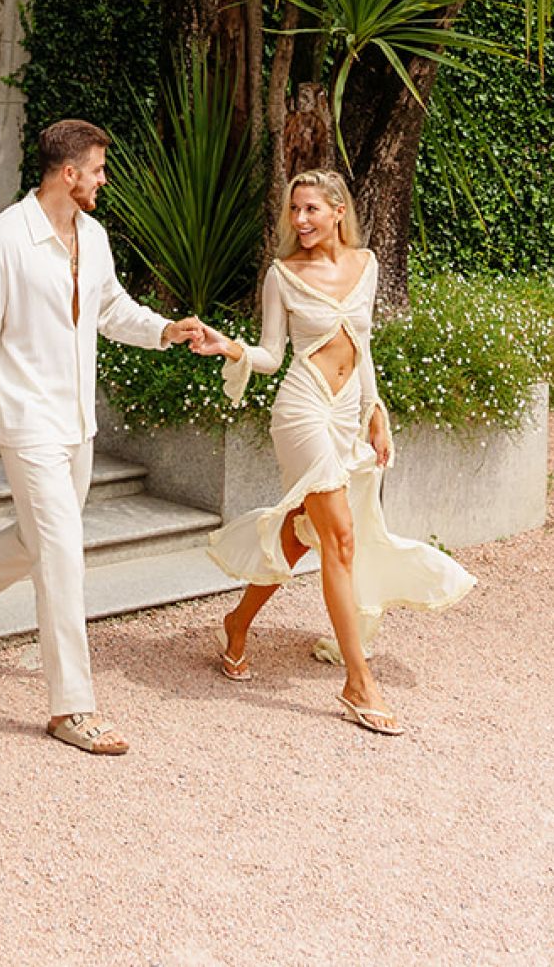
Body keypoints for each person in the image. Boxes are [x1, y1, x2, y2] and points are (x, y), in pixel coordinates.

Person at [0, 117, 204, 755]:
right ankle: (72, 707)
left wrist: (166, 330)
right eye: (97, 170)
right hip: (26, 423)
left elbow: (110, 308)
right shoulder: (3, 242)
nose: (104, 181)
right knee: (63, 554)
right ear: (67, 173)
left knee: (42, 538)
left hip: (78, 423)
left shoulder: (93, 236)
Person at [197, 168, 474, 736]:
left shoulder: (366, 265)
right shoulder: (283, 275)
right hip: (302, 410)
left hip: (348, 411)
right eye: (294, 211)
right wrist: (231, 348)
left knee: (302, 534)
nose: (299, 221)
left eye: (311, 210)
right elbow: (273, 355)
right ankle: (358, 681)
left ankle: (237, 622)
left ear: (338, 212)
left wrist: (376, 411)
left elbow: (363, 347)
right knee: (341, 535)